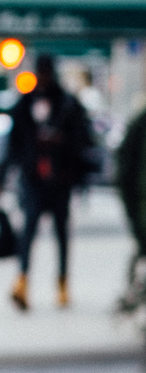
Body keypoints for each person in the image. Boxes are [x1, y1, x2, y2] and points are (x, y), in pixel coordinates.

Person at [4, 55, 94, 311]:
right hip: (34, 179)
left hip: (60, 179)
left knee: (61, 231)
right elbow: (14, 144)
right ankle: (22, 281)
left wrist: (61, 142)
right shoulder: (26, 103)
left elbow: (82, 139)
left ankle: (62, 282)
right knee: (29, 229)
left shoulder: (66, 104)